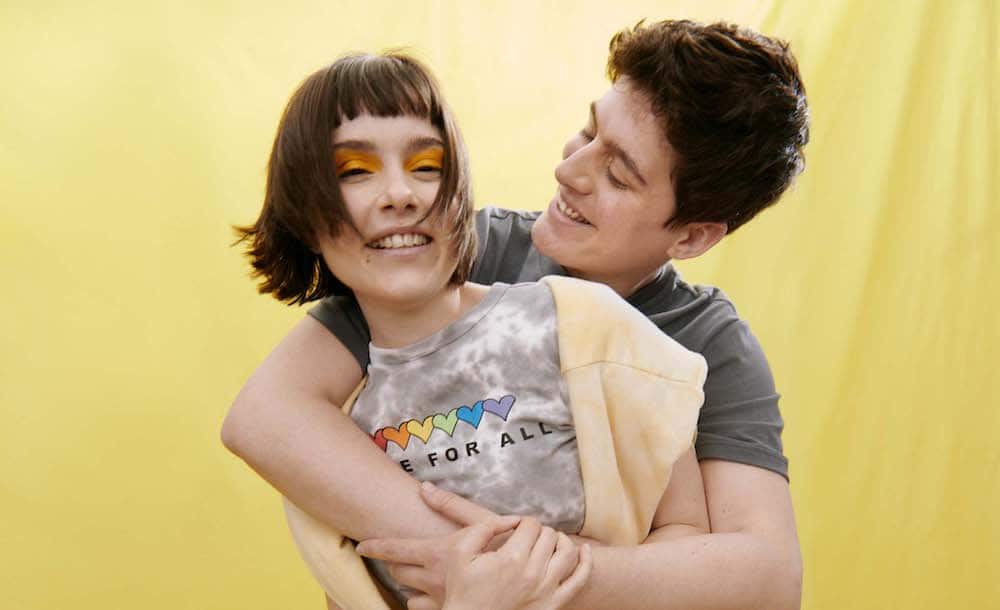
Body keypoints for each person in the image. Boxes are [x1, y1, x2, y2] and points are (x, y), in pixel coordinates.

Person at [224, 18, 809, 610]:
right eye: (588, 131)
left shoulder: (706, 341)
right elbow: (267, 415)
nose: (569, 171)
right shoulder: (448, 252)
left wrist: (529, 575)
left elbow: (767, 576)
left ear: (691, 237)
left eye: (616, 175)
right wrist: (469, 559)